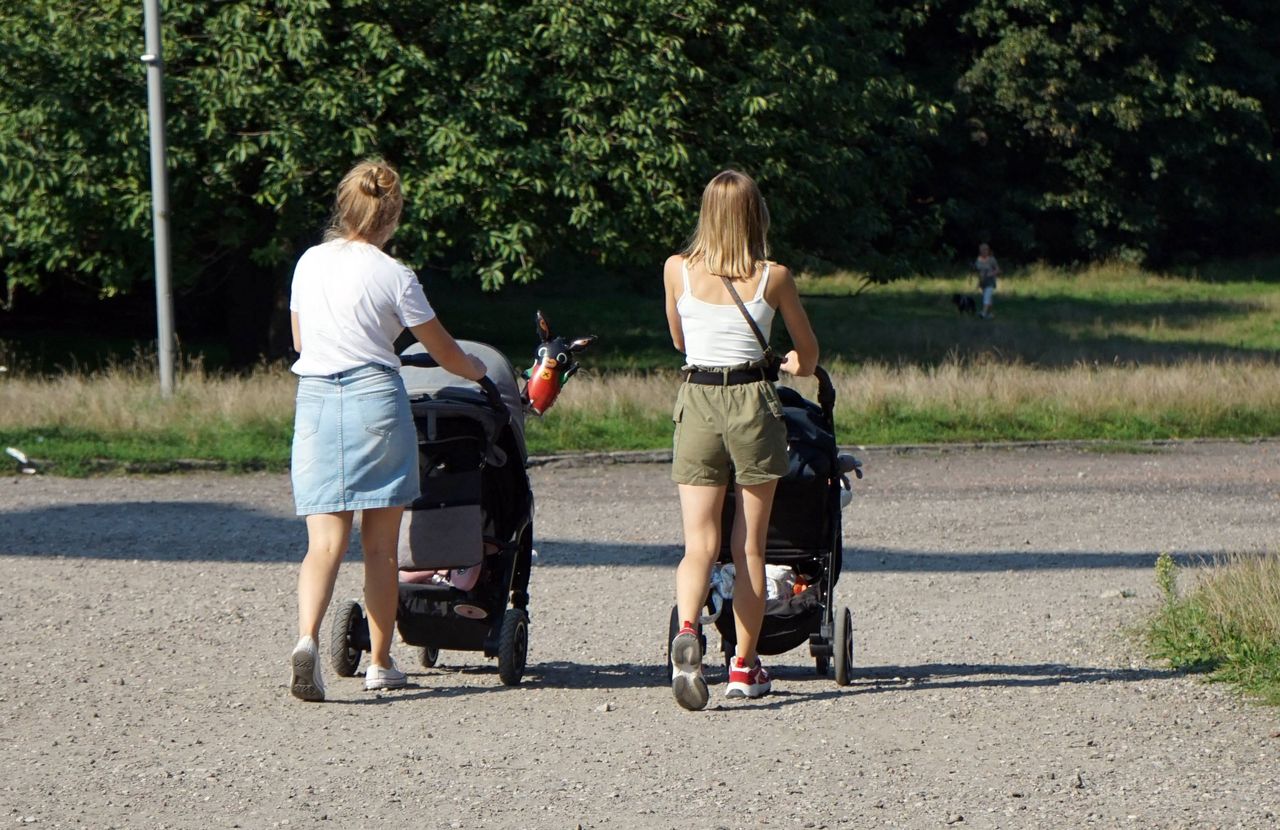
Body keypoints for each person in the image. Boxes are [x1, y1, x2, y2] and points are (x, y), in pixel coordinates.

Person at [287, 159, 487, 702]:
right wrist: (474, 368)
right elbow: (442, 350)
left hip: (318, 400)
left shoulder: (309, 263)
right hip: (375, 398)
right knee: (379, 547)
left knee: (323, 543)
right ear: (392, 215)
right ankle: (379, 661)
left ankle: (306, 640)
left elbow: (302, 342)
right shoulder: (394, 275)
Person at [662, 169, 819, 710]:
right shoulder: (772, 277)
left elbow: (680, 339)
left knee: (699, 545)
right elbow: (808, 353)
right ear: (756, 216)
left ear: (706, 214)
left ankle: (688, 628)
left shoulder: (677, 270)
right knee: (748, 545)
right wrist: (796, 364)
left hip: (698, 398)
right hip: (753, 401)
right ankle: (744, 666)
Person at [974, 242, 1001, 319]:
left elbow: (998, 270)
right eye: (982, 250)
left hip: (990, 281)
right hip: (982, 282)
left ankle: (983, 313)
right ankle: (990, 314)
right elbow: (977, 270)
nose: (983, 251)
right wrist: (978, 282)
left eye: (985, 249)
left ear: (988, 250)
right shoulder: (978, 259)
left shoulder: (992, 259)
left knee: (987, 296)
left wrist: (991, 273)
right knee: (988, 298)